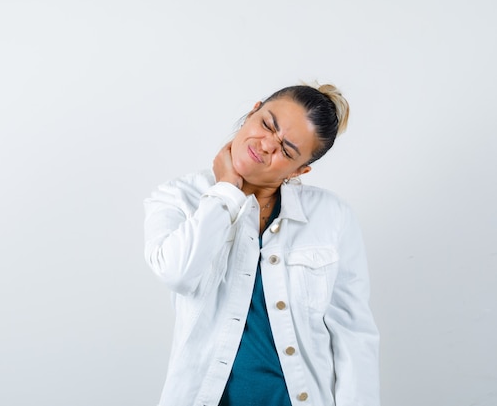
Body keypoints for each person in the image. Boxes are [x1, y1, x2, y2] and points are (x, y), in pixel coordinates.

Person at [143, 83, 379, 406]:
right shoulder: (178, 197)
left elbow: (354, 336)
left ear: (301, 170)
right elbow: (177, 273)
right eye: (267, 124)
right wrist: (226, 191)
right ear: (253, 111)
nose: (267, 144)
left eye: (287, 150)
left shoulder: (332, 216)